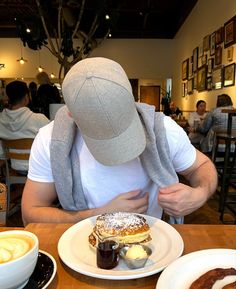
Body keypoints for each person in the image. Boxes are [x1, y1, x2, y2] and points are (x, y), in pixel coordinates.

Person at [22, 57, 217, 225]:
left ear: (132, 97)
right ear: (71, 114)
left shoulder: (163, 129)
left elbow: (202, 166)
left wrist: (199, 194)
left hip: (152, 243)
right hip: (83, 242)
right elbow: (30, 214)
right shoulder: (51, 140)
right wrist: (97, 216)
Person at [0, 80, 50, 172]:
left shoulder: (1, 120)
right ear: (26, 97)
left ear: (7, 98)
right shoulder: (39, 119)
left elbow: (1, 156)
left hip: (13, 168)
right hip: (39, 169)